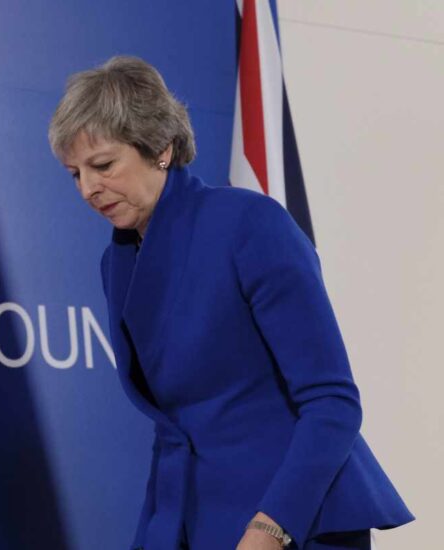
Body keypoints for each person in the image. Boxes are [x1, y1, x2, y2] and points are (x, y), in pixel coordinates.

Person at [47, 56, 413, 550]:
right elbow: (175, 430)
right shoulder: (117, 264)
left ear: (160, 148)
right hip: (196, 519)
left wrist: (272, 527)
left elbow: (333, 403)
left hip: (294, 520)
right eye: (75, 174)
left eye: (103, 165)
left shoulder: (250, 224)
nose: (88, 189)